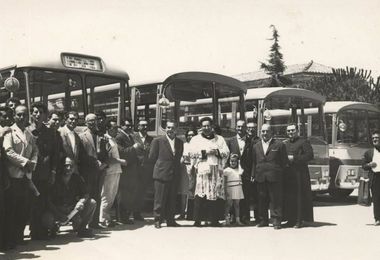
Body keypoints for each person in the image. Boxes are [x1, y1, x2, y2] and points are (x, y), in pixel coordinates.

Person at [3, 104, 38, 247]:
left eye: (24, 114)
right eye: (18, 114)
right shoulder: (9, 132)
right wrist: (25, 162)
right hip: (13, 176)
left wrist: (32, 163)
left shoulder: (29, 133)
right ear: (14, 116)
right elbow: (8, 151)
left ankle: (18, 237)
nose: (22, 117)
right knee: (11, 209)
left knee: (23, 209)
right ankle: (9, 239)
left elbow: (35, 150)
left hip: (26, 177)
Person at [189, 117, 229, 227]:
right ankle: (198, 220)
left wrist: (216, 151)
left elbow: (226, 152)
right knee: (201, 194)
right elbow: (191, 153)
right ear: (201, 127)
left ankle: (214, 220)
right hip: (202, 170)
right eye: (204, 126)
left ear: (211, 126)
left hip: (215, 170)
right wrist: (205, 152)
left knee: (214, 194)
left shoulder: (219, 139)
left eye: (208, 126)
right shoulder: (195, 139)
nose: (206, 128)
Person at [28, 102, 59, 240]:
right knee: (29, 202)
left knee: (43, 202)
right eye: (35, 112)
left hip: (45, 174)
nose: (38, 115)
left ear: (45, 115)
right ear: (31, 114)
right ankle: (31, 229)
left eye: (41, 112)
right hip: (29, 174)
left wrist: (53, 172)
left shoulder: (50, 132)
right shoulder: (27, 130)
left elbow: (55, 154)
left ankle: (39, 230)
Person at [44, 157, 96, 238]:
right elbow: (48, 200)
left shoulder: (77, 178)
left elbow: (86, 194)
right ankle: (53, 228)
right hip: (57, 209)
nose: (69, 168)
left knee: (92, 203)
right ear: (62, 166)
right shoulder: (54, 179)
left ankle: (81, 228)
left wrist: (81, 202)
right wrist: (59, 214)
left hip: (72, 210)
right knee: (47, 219)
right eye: (66, 165)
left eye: (71, 166)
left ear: (74, 167)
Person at [250, 124, 289, 230]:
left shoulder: (279, 145)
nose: (265, 134)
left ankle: (276, 221)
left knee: (275, 199)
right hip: (260, 175)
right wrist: (253, 174)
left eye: (267, 131)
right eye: (263, 131)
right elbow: (254, 162)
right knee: (262, 199)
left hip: (275, 176)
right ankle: (263, 220)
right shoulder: (256, 146)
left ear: (272, 132)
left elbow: (284, 161)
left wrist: (279, 174)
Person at [149, 121, 184, 228]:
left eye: (172, 127)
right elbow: (152, 157)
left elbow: (178, 157)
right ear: (165, 129)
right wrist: (160, 168)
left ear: (176, 129)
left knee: (172, 198)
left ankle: (170, 220)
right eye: (168, 127)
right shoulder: (158, 141)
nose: (170, 129)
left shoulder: (179, 142)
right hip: (161, 173)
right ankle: (157, 220)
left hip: (174, 174)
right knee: (160, 198)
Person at [79, 113, 108, 229]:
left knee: (97, 196)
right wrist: (94, 162)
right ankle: (83, 223)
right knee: (87, 197)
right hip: (87, 171)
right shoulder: (81, 136)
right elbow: (81, 155)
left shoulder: (101, 136)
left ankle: (94, 222)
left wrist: (104, 163)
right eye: (90, 121)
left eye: (95, 120)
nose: (93, 122)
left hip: (99, 171)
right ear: (86, 122)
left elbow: (105, 152)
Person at [283, 123, 314, 228]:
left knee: (299, 197)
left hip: (299, 174)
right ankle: (290, 219)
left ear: (297, 131)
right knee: (289, 198)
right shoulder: (285, 143)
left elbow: (310, 155)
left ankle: (299, 220)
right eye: (288, 131)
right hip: (288, 174)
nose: (290, 133)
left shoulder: (304, 142)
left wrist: (295, 158)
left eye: (292, 130)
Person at [99, 118, 127, 227]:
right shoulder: (106, 139)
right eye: (114, 128)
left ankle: (106, 218)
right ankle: (102, 219)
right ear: (108, 129)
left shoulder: (113, 139)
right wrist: (121, 161)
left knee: (112, 195)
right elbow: (108, 158)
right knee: (106, 195)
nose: (117, 130)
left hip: (116, 170)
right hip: (109, 171)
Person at [115, 119, 139, 224]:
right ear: (122, 126)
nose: (129, 127)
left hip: (130, 169)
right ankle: (121, 217)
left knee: (128, 195)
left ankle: (125, 217)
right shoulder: (119, 137)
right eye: (127, 126)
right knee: (122, 195)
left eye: (131, 126)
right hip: (124, 169)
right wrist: (133, 147)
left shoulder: (129, 136)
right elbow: (121, 152)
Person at [226, 120, 250, 224]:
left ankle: (244, 217)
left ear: (246, 128)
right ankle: (232, 216)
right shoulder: (231, 141)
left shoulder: (250, 141)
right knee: (232, 196)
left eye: (242, 127)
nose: (240, 129)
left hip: (246, 173)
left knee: (245, 195)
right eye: (238, 127)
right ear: (236, 128)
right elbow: (227, 157)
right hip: (233, 173)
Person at [132, 120, 153, 221]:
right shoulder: (132, 137)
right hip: (134, 168)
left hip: (145, 170)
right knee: (132, 191)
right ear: (138, 126)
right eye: (142, 125)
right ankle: (127, 213)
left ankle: (137, 213)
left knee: (141, 192)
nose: (145, 127)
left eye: (146, 125)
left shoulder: (151, 139)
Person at [241, 120, 260, 223]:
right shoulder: (243, 140)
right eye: (249, 128)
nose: (251, 130)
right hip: (244, 171)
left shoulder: (259, 141)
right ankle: (245, 217)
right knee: (245, 196)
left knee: (256, 196)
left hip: (255, 171)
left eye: (253, 128)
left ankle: (258, 217)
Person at [177, 129, 196, 220]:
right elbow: (180, 156)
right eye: (189, 135)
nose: (191, 137)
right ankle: (182, 213)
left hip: (195, 170)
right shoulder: (184, 145)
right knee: (184, 193)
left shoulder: (197, 145)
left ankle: (191, 213)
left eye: (192, 135)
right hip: (185, 169)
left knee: (193, 192)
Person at [59, 111, 85, 176]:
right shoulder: (59, 133)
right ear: (65, 120)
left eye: (76, 120)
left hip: (73, 171)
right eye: (71, 119)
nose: (73, 121)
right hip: (62, 170)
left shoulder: (76, 136)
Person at [0, 107, 12, 250]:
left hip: (3, 175)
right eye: (3, 116)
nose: (6, 119)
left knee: (4, 210)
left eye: (8, 116)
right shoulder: (4, 131)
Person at [362, 131, 380, 226]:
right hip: (375, 178)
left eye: (377, 138)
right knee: (376, 200)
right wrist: (369, 164)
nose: (375, 140)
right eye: (373, 138)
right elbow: (363, 166)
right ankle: (377, 219)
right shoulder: (369, 153)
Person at [223, 154, 244, 226]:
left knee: (237, 205)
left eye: (235, 161)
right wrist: (226, 191)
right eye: (231, 161)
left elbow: (241, 172)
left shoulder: (239, 170)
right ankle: (226, 220)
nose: (233, 163)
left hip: (237, 188)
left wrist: (240, 163)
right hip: (230, 189)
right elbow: (224, 182)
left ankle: (238, 220)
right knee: (228, 205)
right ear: (229, 161)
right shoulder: (227, 170)